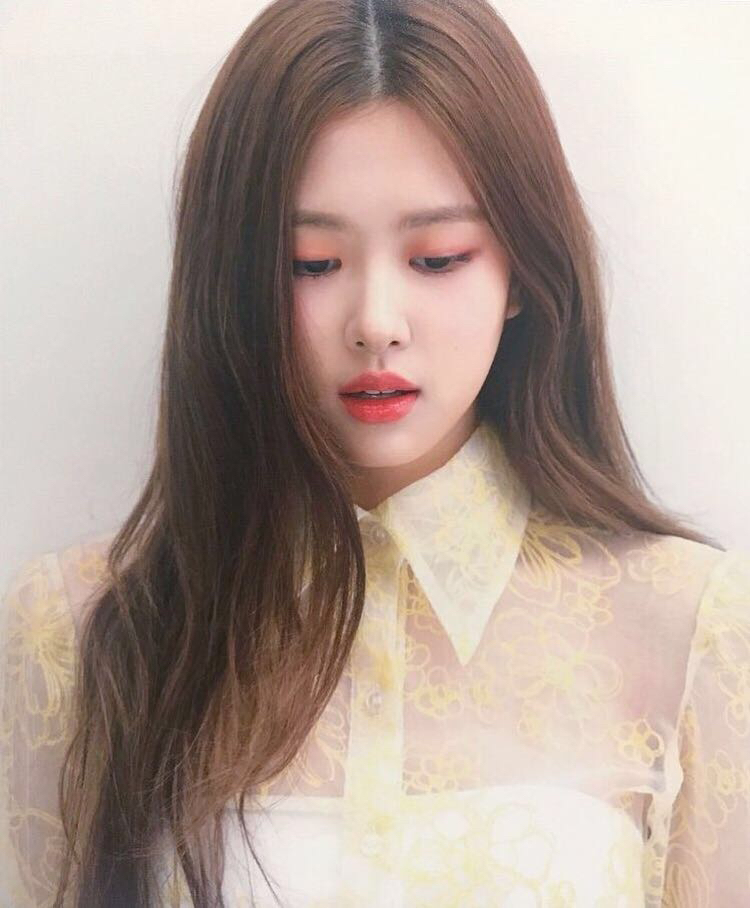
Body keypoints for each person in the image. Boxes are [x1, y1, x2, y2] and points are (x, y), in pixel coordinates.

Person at [1, 0, 748, 905]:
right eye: (311, 263)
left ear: (523, 270)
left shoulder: (690, 627)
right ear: (231, 282)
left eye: (438, 257)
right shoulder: (78, 630)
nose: (377, 324)